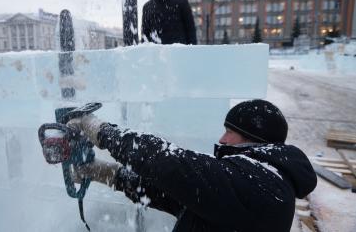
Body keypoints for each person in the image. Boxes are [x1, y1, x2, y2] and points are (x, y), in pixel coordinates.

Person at [67, 99, 317, 232]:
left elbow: (172, 164)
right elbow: (173, 195)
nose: (221, 140)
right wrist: (106, 173)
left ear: (255, 139)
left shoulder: (263, 184)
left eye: (230, 132)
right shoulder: (257, 181)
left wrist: (100, 131)